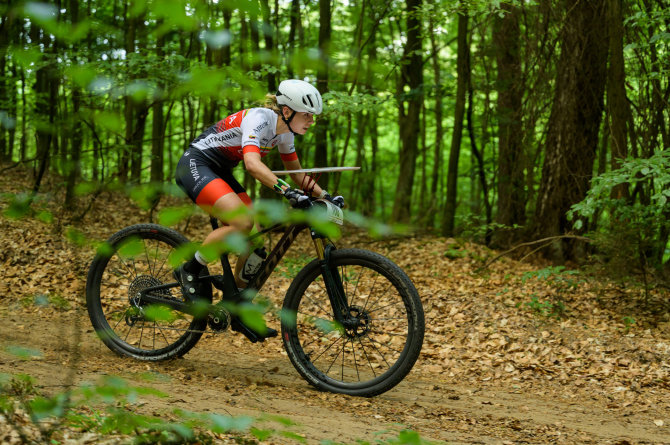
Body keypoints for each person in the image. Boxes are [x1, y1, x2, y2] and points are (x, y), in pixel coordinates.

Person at [174, 79, 344, 342]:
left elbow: (297, 174)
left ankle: (237, 307)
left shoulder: (286, 133)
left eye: (313, 116)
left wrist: (325, 196)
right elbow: (252, 165)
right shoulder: (259, 119)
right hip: (197, 163)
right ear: (287, 112)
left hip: (220, 171)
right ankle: (191, 268)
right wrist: (286, 192)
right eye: (307, 115)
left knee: (256, 243)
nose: (312, 121)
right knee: (242, 223)